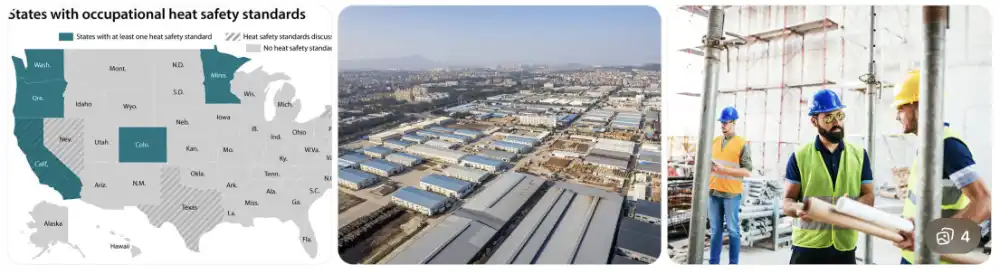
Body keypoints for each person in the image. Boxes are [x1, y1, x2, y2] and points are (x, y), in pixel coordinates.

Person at [890, 70, 992, 264]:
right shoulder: (928, 145)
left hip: (935, 258)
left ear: (919, 106)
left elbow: (985, 202)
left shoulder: (947, 145)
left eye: (901, 108)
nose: (897, 116)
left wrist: (931, 238)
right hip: (916, 254)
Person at [782, 89, 876, 264]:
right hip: (807, 247)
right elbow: (787, 201)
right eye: (828, 117)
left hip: (844, 247)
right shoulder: (799, 156)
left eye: (839, 115)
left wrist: (852, 206)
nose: (837, 122)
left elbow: (869, 196)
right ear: (814, 121)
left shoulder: (859, 155)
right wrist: (798, 209)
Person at [707, 106, 753, 264]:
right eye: (722, 123)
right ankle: (713, 263)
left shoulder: (741, 143)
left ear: (734, 123)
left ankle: (733, 264)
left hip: (731, 195)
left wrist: (724, 170)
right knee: (715, 232)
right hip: (713, 193)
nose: (723, 126)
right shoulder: (714, 141)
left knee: (733, 231)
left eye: (726, 123)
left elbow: (747, 172)